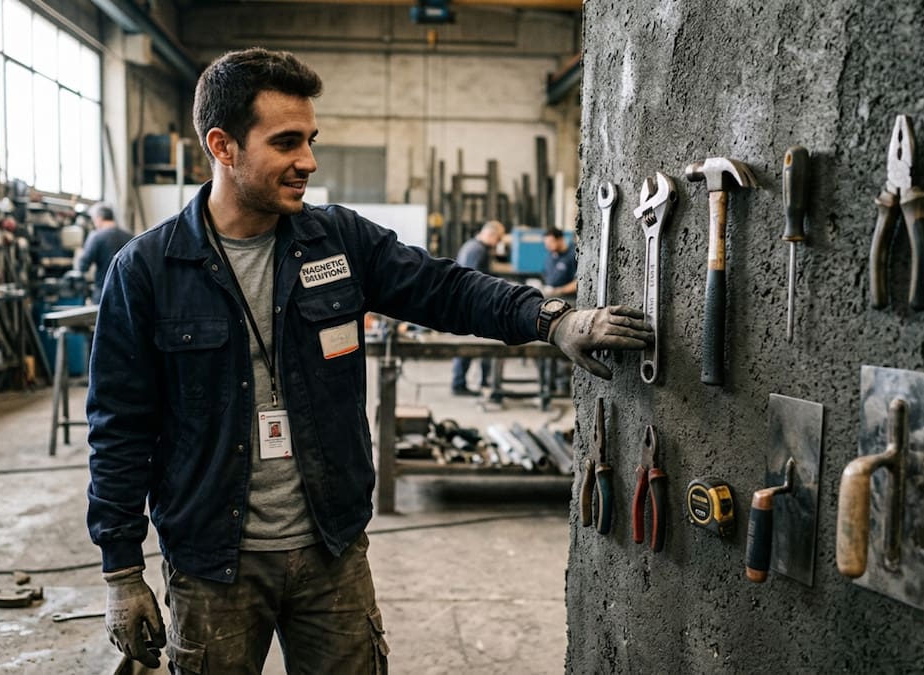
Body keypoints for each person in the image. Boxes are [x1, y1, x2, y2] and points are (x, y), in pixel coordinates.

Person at [85, 46, 651, 674]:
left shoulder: (337, 240)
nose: (308, 160)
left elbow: (447, 288)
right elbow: (120, 428)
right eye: (287, 142)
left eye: (311, 139)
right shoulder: (146, 272)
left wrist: (553, 319)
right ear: (223, 146)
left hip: (332, 549)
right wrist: (122, 572)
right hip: (213, 562)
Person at [450, 220, 505, 396]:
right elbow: (474, 280)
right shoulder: (478, 250)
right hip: (472, 306)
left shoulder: (471, 246)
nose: (498, 244)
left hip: (466, 304)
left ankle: (467, 382)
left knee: (467, 345)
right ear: (491, 235)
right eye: (498, 239)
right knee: (473, 345)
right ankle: (463, 384)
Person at [540, 228, 577, 396]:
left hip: (570, 304)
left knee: (564, 345)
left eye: (550, 243)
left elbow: (578, 282)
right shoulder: (550, 256)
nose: (548, 247)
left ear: (560, 239)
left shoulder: (573, 255)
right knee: (546, 344)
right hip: (551, 303)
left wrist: (559, 291)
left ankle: (563, 385)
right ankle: (549, 384)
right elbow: (546, 276)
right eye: (546, 244)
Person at [75, 202, 133, 303]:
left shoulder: (96, 237)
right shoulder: (130, 237)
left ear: (99, 218)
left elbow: (83, 266)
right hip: (127, 293)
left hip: (104, 292)